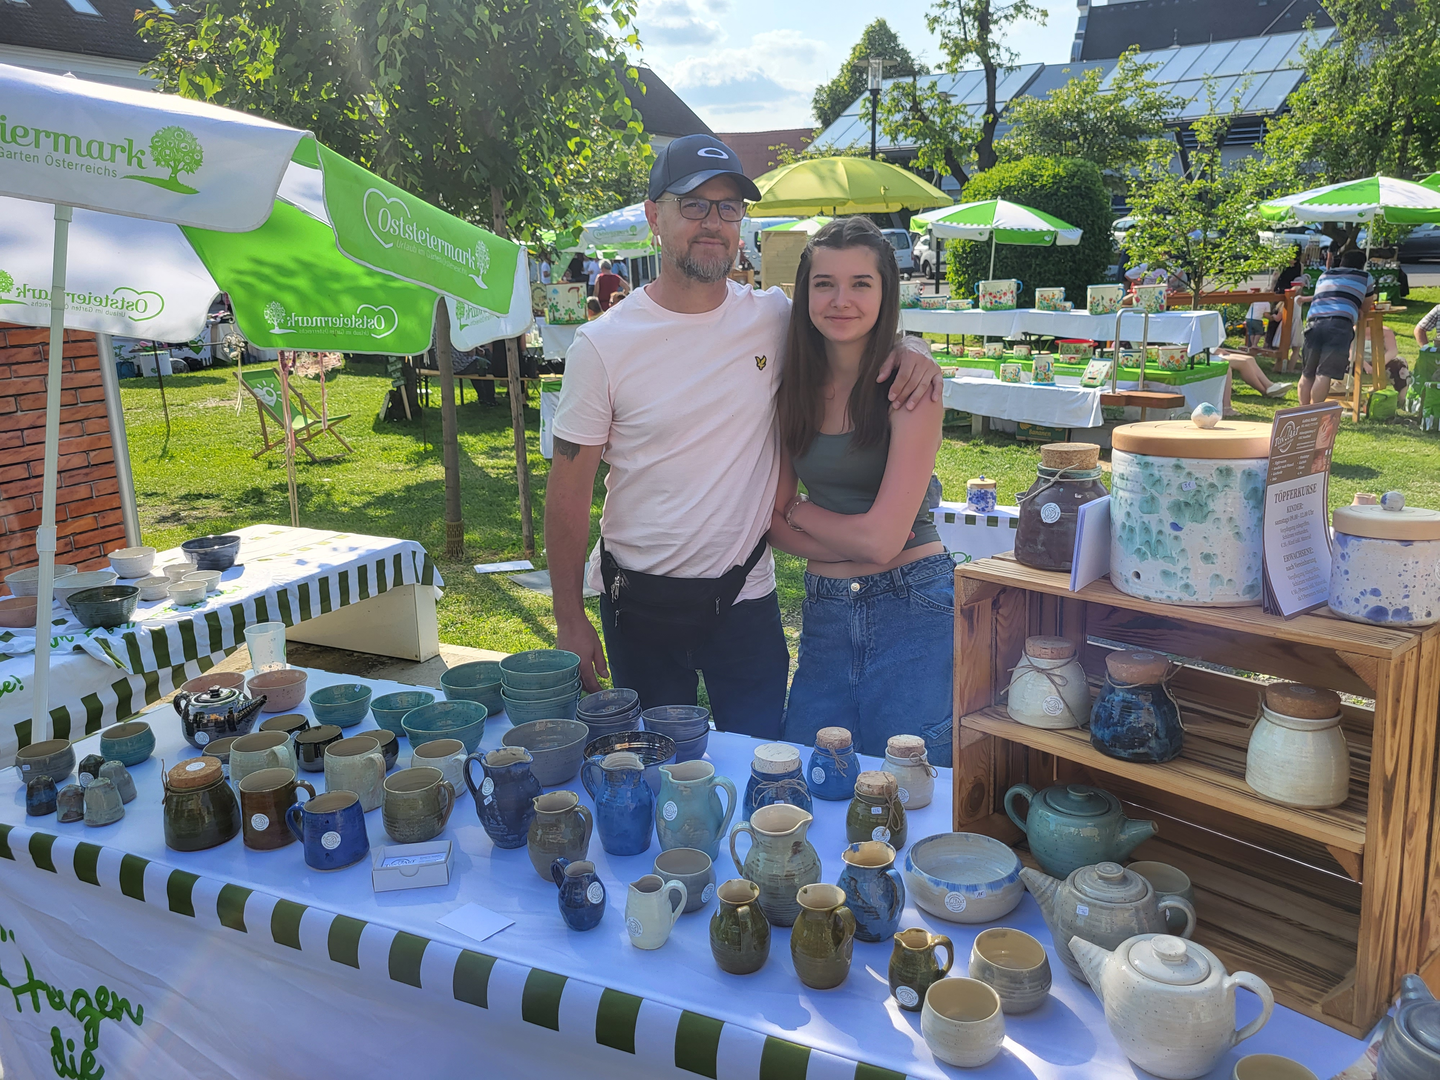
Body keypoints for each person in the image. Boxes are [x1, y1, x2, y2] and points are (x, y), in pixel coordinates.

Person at [545, 133, 941, 739]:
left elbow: (848, 324)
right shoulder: (603, 345)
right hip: (639, 601)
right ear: (655, 216)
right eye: (694, 204)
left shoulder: (773, 318)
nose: (713, 222)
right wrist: (569, 616)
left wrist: (912, 348)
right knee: (653, 772)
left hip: (745, 600)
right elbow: (568, 491)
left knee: (767, 769)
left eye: (728, 207)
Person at [769, 218, 953, 765]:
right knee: (808, 776)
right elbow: (771, 524)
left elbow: (878, 542)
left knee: (910, 788)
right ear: (805, 294)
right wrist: (857, 538)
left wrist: (802, 510)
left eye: (860, 284)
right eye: (824, 284)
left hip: (912, 606)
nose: (840, 299)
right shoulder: (791, 386)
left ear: (885, 292)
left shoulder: (909, 386)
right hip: (825, 613)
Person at [1299, 250, 1375, 406]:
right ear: (1362, 265)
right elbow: (1366, 306)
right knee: (1324, 372)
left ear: (1342, 262)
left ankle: (1302, 410)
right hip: (1339, 324)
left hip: (1314, 321)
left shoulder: (1325, 275)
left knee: (1308, 372)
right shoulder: (1365, 277)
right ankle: (1314, 411)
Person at [1215, 347, 1291, 412]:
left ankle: (1269, 385)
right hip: (1207, 355)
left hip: (1211, 352)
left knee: (1250, 359)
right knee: (1243, 362)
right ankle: (1266, 391)